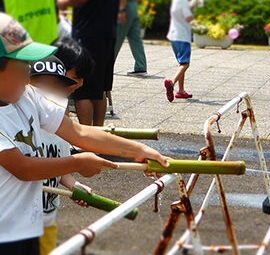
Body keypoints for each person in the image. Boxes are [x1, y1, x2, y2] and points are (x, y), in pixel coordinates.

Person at [0, 13, 168, 254]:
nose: (29, 75)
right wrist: (78, 162)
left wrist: (138, 150)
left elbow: (78, 132)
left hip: (26, 227)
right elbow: (23, 168)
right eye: (20, 67)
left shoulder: (26, 96)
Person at [29, 55, 92, 255]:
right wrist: (79, 162)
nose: (49, 94)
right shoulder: (19, 129)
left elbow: (61, 170)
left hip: (48, 220)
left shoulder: (60, 129)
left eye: (56, 88)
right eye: (41, 86)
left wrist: (74, 185)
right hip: (18, 223)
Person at [57, 0, 119, 126]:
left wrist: (60, 3)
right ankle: (98, 133)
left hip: (88, 31)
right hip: (108, 31)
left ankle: (87, 135)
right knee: (100, 88)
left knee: (83, 91)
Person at [164, 0, 197, 102]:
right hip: (183, 36)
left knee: (181, 64)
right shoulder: (183, 2)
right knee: (185, 64)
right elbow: (188, 16)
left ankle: (181, 91)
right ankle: (172, 83)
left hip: (174, 36)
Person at [114, 0, 148, 76]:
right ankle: (141, 67)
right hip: (133, 6)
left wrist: (122, 9)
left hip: (125, 6)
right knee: (136, 40)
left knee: (116, 39)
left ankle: (107, 66)